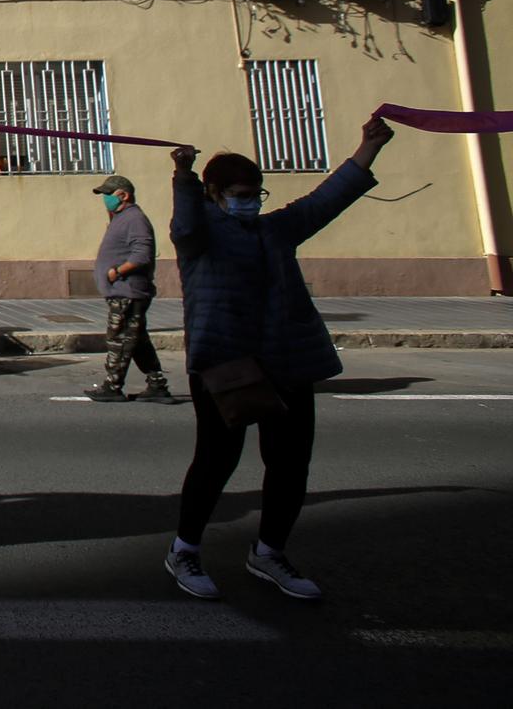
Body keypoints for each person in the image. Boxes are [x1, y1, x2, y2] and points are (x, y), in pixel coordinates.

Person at [162, 114, 394, 603]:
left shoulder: (276, 231)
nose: (249, 202)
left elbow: (327, 201)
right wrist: (183, 175)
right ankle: (184, 549)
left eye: (256, 193)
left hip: (287, 361)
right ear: (215, 194)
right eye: (240, 193)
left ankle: (269, 551)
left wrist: (368, 146)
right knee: (216, 460)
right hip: (225, 364)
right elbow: (183, 224)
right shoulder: (199, 237)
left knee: (290, 463)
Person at [84, 174, 178, 404]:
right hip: (123, 291)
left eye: (108, 195)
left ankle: (112, 385)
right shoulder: (122, 217)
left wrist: (117, 271)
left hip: (128, 291)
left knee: (119, 339)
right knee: (137, 340)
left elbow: (142, 254)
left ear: (123, 195)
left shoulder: (135, 218)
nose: (105, 199)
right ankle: (156, 384)